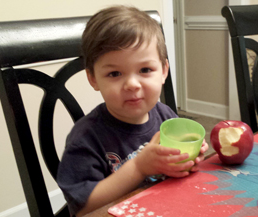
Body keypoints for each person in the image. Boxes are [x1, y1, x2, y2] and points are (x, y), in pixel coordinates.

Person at [57, 5, 209, 217]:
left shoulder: (166, 116)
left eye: (145, 70)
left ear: (164, 71)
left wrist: (185, 161)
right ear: (93, 78)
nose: (132, 84)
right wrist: (139, 167)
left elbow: (175, 176)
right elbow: (83, 208)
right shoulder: (85, 138)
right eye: (115, 73)